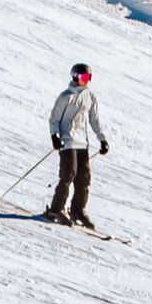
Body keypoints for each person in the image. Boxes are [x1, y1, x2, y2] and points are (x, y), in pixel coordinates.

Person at [42, 63, 108, 228]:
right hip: (67, 141)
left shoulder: (90, 97)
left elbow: (95, 120)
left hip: (82, 143)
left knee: (84, 178)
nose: (86, 81)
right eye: (83, 77)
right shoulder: (65, 96)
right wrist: (55, 136)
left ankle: (78, 211)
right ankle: (56, 210)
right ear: (75, 77)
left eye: (88, 78)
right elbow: (54, 118)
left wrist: (102, 139)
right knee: (68, 174)